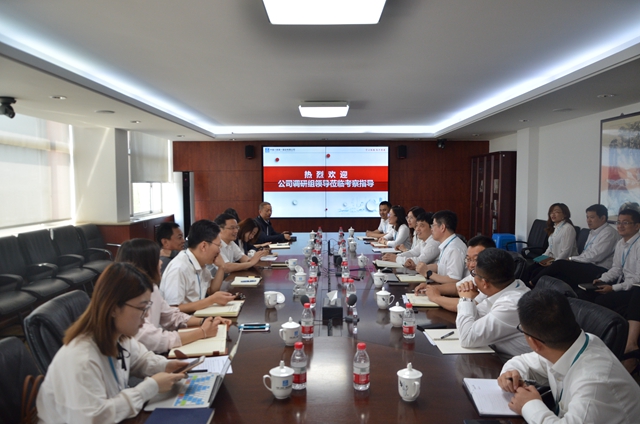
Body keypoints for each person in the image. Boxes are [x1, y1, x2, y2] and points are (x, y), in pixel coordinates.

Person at [36, 263, 189, 423]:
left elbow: (140, 359)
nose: (146, 316)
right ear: (114, 308)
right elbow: (95, 418)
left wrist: (165, 366)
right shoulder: (82, 358)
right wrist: (149, 388)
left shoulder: (119, 336)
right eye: (142, 308)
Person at [498, 289, 640, 423]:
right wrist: (511, 374)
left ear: (534, 342)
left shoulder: (595, 383)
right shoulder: (570, 345)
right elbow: (523, 362)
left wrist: (529, 405)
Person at [116, 238, 231, 354]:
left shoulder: (152, 288)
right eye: (157, 259)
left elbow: (172, 316)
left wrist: (206, 321)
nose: (161, 262)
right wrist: (202, 332)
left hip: (152, 354)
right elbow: (154, 339)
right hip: (151, 351)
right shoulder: (128, 300)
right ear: (145, 264)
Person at [589, 209, 640, 371]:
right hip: (625, 285)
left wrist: (614, 288)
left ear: (637, 226)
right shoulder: (621, 244)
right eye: (619, 222)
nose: (620, 226)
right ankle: (599, 343)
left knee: (637, 293)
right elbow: (616, 269)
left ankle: (631, 347)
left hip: (635, 288)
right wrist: (603, 279)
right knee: (594, 296)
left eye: (626, 223)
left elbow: (638, 279)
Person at [455, 248, 531, 356]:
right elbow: (476, 319)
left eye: (474, 274)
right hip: (496, 355)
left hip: (510, 362)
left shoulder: (511, 304)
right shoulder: (505, 289)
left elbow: (467, 338)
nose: (472, 279)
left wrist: (466, 299)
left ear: (484, 283)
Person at [530, 204, 618, 287]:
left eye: (592, 217)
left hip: (599, 269)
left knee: (559, 264)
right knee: (540, 268)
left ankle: (532, 283)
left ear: (602, 218)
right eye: (587, 217)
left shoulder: (609, 233)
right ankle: (531, 286)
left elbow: (594, 256)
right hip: (587, 264)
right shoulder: (593, 232)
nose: (588, 220)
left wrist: (571, 259)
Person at [161, 219, 236, 313]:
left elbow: (212, 290)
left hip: (195, 316)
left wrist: (221, 267)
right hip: (184, 321)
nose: (219, 251)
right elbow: (172, 309)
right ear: (203, 246)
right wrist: (210, 300)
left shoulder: (200, 263)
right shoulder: (179, 268)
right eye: (218, 246)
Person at [414, 235, 496, 312]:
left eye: (476, 259)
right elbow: (456, 287)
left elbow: (471, 305)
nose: (471, 265)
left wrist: (436, 298)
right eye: (468, 259)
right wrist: (432, 288)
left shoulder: (491, 280)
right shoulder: (476, 274)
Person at [523, 203, 578, 284]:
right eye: (551, 212)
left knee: (536, 272)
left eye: (556, 212)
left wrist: (553, 263)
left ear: (565, 214)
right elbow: (550, 248)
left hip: (562, 263)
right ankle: (521, 287)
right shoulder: (556, 227)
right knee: (530, 268)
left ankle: (530, 287)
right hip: (553, 260)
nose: (553, 214)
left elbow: (566, 252)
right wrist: (542, 259)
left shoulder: (568, 228)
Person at [416, 210, 467, 284]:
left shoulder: (455, 248)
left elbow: (454, 280)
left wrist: (428, 273)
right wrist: (422, 268)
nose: (431, 229)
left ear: (442, 227)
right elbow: (440, 267)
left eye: (433, 225)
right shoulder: (448, 244)